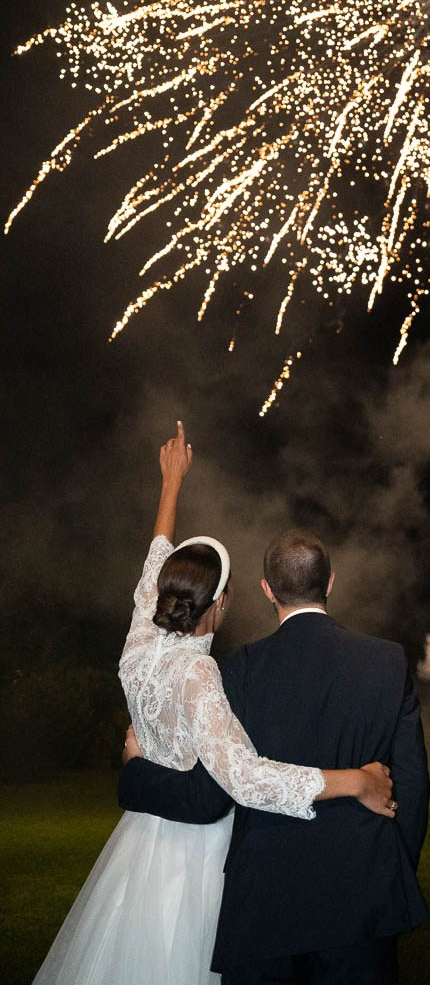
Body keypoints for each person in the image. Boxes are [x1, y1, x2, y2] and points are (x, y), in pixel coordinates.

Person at [33, 422, 395, 985]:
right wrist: (356, 782)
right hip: (197, 858)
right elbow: (244, 780)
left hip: (140, 843)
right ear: (222, 602)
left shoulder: (138, 645)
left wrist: (170, 483)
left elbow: (155, 561)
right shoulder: (201, 672)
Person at [120, 522, 430, 985]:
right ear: (330, 582)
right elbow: (414, 785)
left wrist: (135, 772)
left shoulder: (237, 669)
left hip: (264, 902)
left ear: (267, 590)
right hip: (364, 895)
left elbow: (209, 797)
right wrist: (390, 871)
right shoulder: (387, 660)